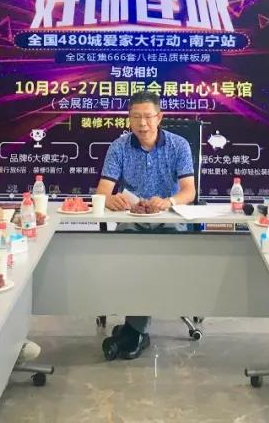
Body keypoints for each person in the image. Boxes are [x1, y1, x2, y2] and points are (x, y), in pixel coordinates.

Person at [95, 90, 196, 360]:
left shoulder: (179, 145)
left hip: (168, 217)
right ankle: (136, 328)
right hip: (133, 219)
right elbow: (103, 191)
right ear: (128, 119)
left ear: (159, 117)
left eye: (148, 117)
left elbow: (189, 191)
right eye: (136, 117)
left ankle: (135, 330)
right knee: (133, 256)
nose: (142, 124)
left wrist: (168, 201)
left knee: (160, 256)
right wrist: (111, 200)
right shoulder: (118, 147)